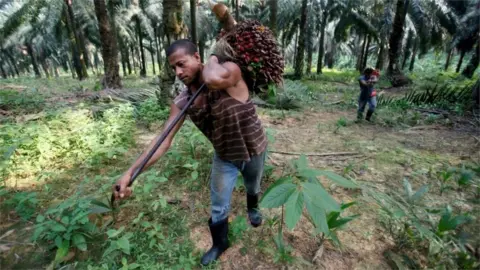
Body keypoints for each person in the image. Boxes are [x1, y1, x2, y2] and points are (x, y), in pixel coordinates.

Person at [112, 39, 267, 266]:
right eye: (174, 67)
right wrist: (130, 172)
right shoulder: (184, 101)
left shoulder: (230, 72)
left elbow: (213, 79)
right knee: (218, 204)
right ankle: (220, 243)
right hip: (225, 157)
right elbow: (162, 142)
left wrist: (213, 57)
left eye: (182, 64)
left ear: (197, 57)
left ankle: (253, 208)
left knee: (253, 186)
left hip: (255, 149)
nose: (178, 72)